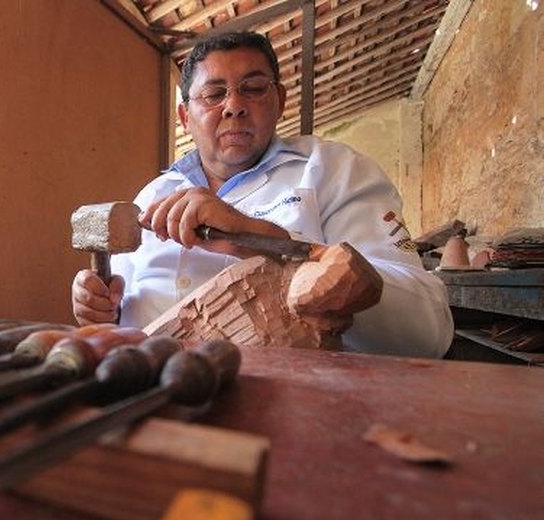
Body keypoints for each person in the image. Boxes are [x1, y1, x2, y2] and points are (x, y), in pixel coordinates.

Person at [71, 31, 453, 358]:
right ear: (186, 117)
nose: (234, 106)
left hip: (291, 404)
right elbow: (119, 307)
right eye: (213, 94)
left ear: (279, 100)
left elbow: (428, 332)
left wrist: (262, 241)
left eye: (253, 89)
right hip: (147, 390)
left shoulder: (334, 170)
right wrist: (102, 307)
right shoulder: (153, 194)